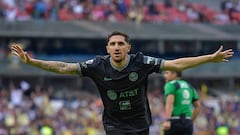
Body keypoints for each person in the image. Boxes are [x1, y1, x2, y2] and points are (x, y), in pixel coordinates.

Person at [11, 31, 234, 135]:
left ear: (128, 47)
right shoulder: (97, 65)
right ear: (107, 48)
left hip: (140, 123)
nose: (116, 47)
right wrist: (32, 62)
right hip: (114, 124)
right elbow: (64, 68)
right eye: (112, 44)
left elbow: (176, 64)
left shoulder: (141, 62)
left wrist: (210, 58)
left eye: (120, 43)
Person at [162, 70, 201, 135]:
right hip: (187, 122)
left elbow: (170, 103)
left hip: (174, 121)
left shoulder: (170, 85)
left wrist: (168, 120)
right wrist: (191, 121)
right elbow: (198, 106)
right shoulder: (189, 86)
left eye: (166, 73)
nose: (164, 76)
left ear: (174, 74)